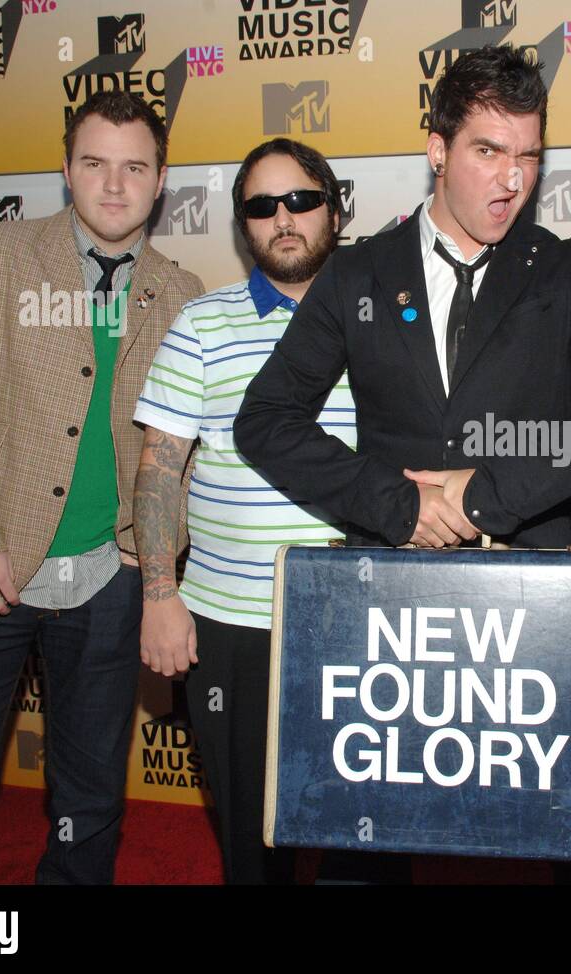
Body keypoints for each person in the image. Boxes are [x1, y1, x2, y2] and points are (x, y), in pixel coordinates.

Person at [0, 91, 204, 884]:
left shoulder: (181, 292)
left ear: (160, 179)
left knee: (92, 790)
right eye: (95, 163)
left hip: (112, 579)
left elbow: (182, 451)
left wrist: (157, 567)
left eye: (134, 167)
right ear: (66, 170)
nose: (113, 185)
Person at [235, 45, 571, 554]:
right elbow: (265, 420)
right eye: (489, 151)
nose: (513, 179)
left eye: (528, 156)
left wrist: (490, 494)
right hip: (388, 586)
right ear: (438, 153)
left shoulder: (566, 269)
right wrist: (397, 505)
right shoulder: (358, 273)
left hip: (528, 589)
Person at [132, 138, 348, 884]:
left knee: (363, 830)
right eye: (261, 206)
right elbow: (159, 469)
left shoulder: (388, 320)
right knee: (250, 842)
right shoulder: (201, 323)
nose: (283, 218)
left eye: (301, 200)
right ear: (243, 226)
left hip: (361, 623)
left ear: (335, 208)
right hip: (231, 626)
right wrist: (160, 594)